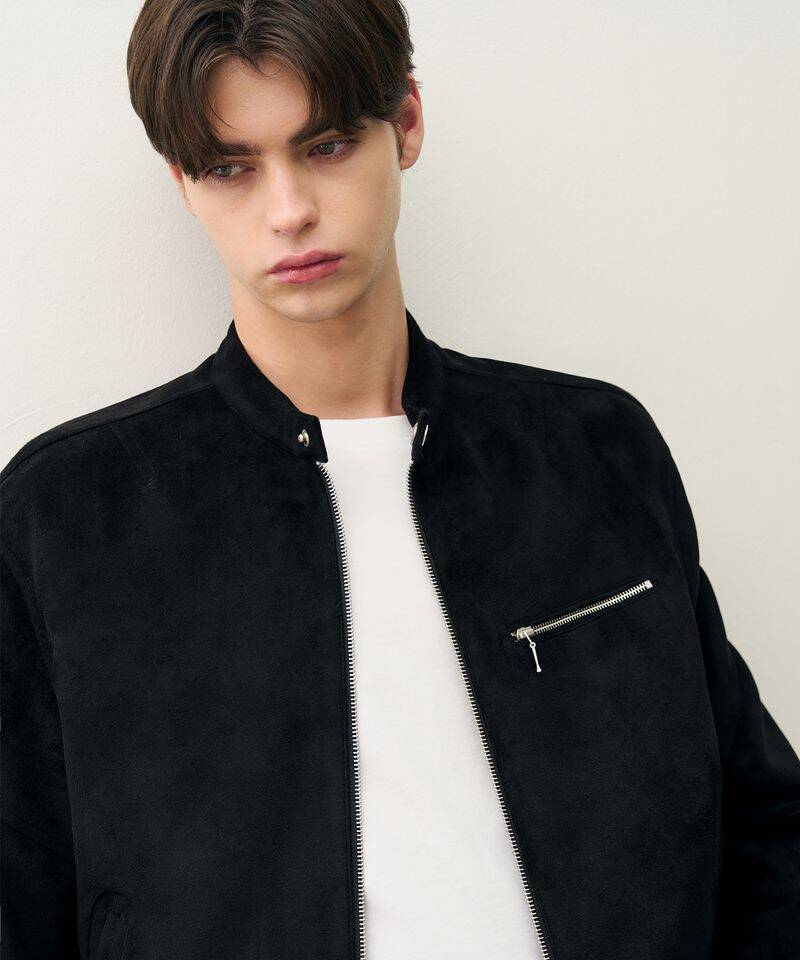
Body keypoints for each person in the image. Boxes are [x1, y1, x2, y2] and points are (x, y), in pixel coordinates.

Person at [2, 1, 798, 957]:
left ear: (406, 123)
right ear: (182, 181)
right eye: (231, 167)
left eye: (327, 146)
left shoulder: (592, 451)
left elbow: (763, 823)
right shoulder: (73, 512)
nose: (289, 210)